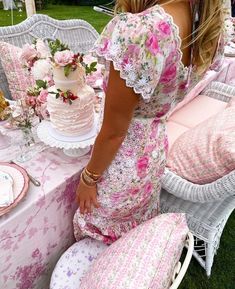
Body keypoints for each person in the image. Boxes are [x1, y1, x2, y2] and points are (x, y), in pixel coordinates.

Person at [73, 0, 224, 244]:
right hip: (153, 152)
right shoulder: (205, 28)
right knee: (129, 233)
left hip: (121, 163)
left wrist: (89, 178)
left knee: (101, 234)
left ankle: (102, 275)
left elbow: (114, 131)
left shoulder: (141, 31)